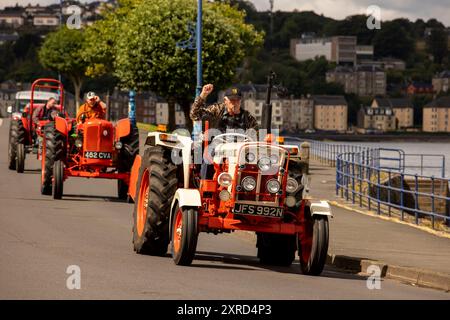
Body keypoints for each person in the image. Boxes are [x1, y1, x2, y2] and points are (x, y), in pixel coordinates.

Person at [190, 84, 258, 132]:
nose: (235, 103)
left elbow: (255, 137)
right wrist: (203, 95)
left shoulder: (248, 118)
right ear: (225, 101)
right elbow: (194, 115)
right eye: (232, 100)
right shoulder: (217, 110)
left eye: (238, 100)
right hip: (217, 148)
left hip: (238, 149)